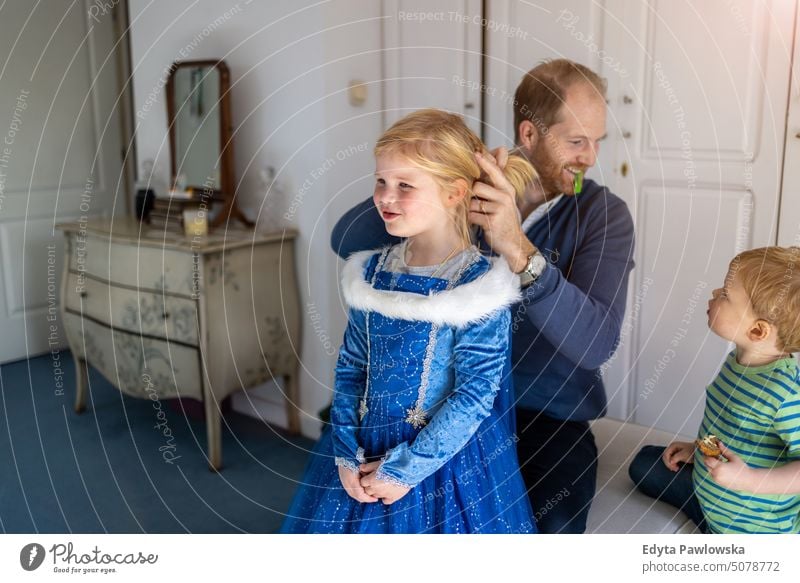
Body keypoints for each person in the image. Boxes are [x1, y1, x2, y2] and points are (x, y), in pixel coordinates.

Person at [330, 59, 635, 533]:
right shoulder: (459, 198)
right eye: (577, 142)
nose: (590, 158)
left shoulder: (604, 215)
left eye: (598, 142)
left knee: (546, 524)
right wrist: (442, 169)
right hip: (432, 400)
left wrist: (518, 247)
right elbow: (345, 239)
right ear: (529, 135)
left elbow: (596, 343)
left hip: (543, 413)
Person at [281, 109, 537, 533]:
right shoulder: (372, 272)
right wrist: (345, 453)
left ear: (455, 192)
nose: (385, 196)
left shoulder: (479, 286)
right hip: (363, 448)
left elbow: (475, 394)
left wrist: (404, 470)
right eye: (381, 181)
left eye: (405, 185)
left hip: (441, 465)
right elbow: (351, 368)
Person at [628, 246, 800, 533]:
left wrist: (748, 480)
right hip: (708, 494)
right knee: (644, 464)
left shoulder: (785, 393)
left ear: (758, 331)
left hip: (752, 528)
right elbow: (729, 426)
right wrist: (698, 449)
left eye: (726, 295)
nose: (714, 292)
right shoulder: (738, 361)